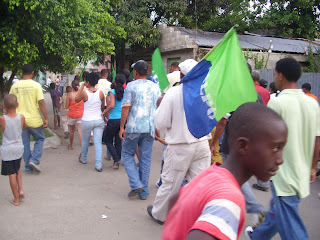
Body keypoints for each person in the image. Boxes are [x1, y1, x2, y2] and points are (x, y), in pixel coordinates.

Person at [161, 102, 288, 240]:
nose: (280, 159)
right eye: (275, 148)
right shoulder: (229, 200)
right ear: (243, 146)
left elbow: (175, 200)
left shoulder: (211, 173)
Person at [246, 58, 320, 240]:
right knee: (278, 211)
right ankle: (257, 236)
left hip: (283, 174)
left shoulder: (277, 103)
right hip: (301, 171)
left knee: (292, 229)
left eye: (274, 74)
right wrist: (312, 167)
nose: (274, 77)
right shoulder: (312, 102)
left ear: (280, 75)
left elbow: (267, 140)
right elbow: (317, 139)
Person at [148, 59, 211, 224]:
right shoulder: (205, 91)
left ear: (181, 74)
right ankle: (199, 217)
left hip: (180, 146)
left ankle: (160, 214)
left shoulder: (174, 93)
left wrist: (160, 107)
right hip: (202, 144)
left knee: (170, 183)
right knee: (198, 184)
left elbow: (161, 122)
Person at [119, 60, 161, 200]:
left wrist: (121, 127)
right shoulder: (155, 87)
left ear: (135, 72)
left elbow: (125, 107)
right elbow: (158, 108)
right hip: (149, 128)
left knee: (126, 154)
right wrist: (156, 127)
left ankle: (136, 184)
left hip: (133, 127)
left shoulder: (131, 86)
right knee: (145, 159)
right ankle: (144, 192)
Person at [9, 63, 48, 173]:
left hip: (19, 120)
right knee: (40, 139)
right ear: (32, 73)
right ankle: (34, 160)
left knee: (24, 144)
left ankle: (27, 167)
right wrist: (46, 118)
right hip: (34, 120)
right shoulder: (36, 86)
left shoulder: (14, 86)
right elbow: (41, 102)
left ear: (21, 72)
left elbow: (10, 102)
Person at [0, 94, 27, 206]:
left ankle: (16, 199)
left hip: (7, 149)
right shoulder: (21, 117)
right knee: (18, 170)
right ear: (17, 105)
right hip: (18, 148)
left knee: (11, 173)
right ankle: (20, 190)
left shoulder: (2, 118)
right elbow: (24, 127)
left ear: (4, 105)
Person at [76, 72, 105, 172]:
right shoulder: (101, 92)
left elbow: (76, 99)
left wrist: (81, 87)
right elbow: (102, 106)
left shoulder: (84, 92)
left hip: (87, 120)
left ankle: (83, 158)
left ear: (87, 82)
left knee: (85, 141)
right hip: (98, 120)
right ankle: (98, 165)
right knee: (98, 143)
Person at [103, 74, 126, 169]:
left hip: (113, 119)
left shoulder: (112, 92)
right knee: (118, 141)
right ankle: (117, 161)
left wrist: (105, 111)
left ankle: (116, 159)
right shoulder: (125, 92)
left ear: (115, 82)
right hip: (122, 119)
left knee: (107, 140)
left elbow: (112, 105)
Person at [66, 79, 84, 150]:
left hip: (72, 115)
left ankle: (70, 145)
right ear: (79, 86)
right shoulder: (82, 93)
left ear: (72, 87)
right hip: (81, 114)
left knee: (72, 131)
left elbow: (67, 106)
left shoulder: (69, 94)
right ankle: (82, 145)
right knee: (80, 130)